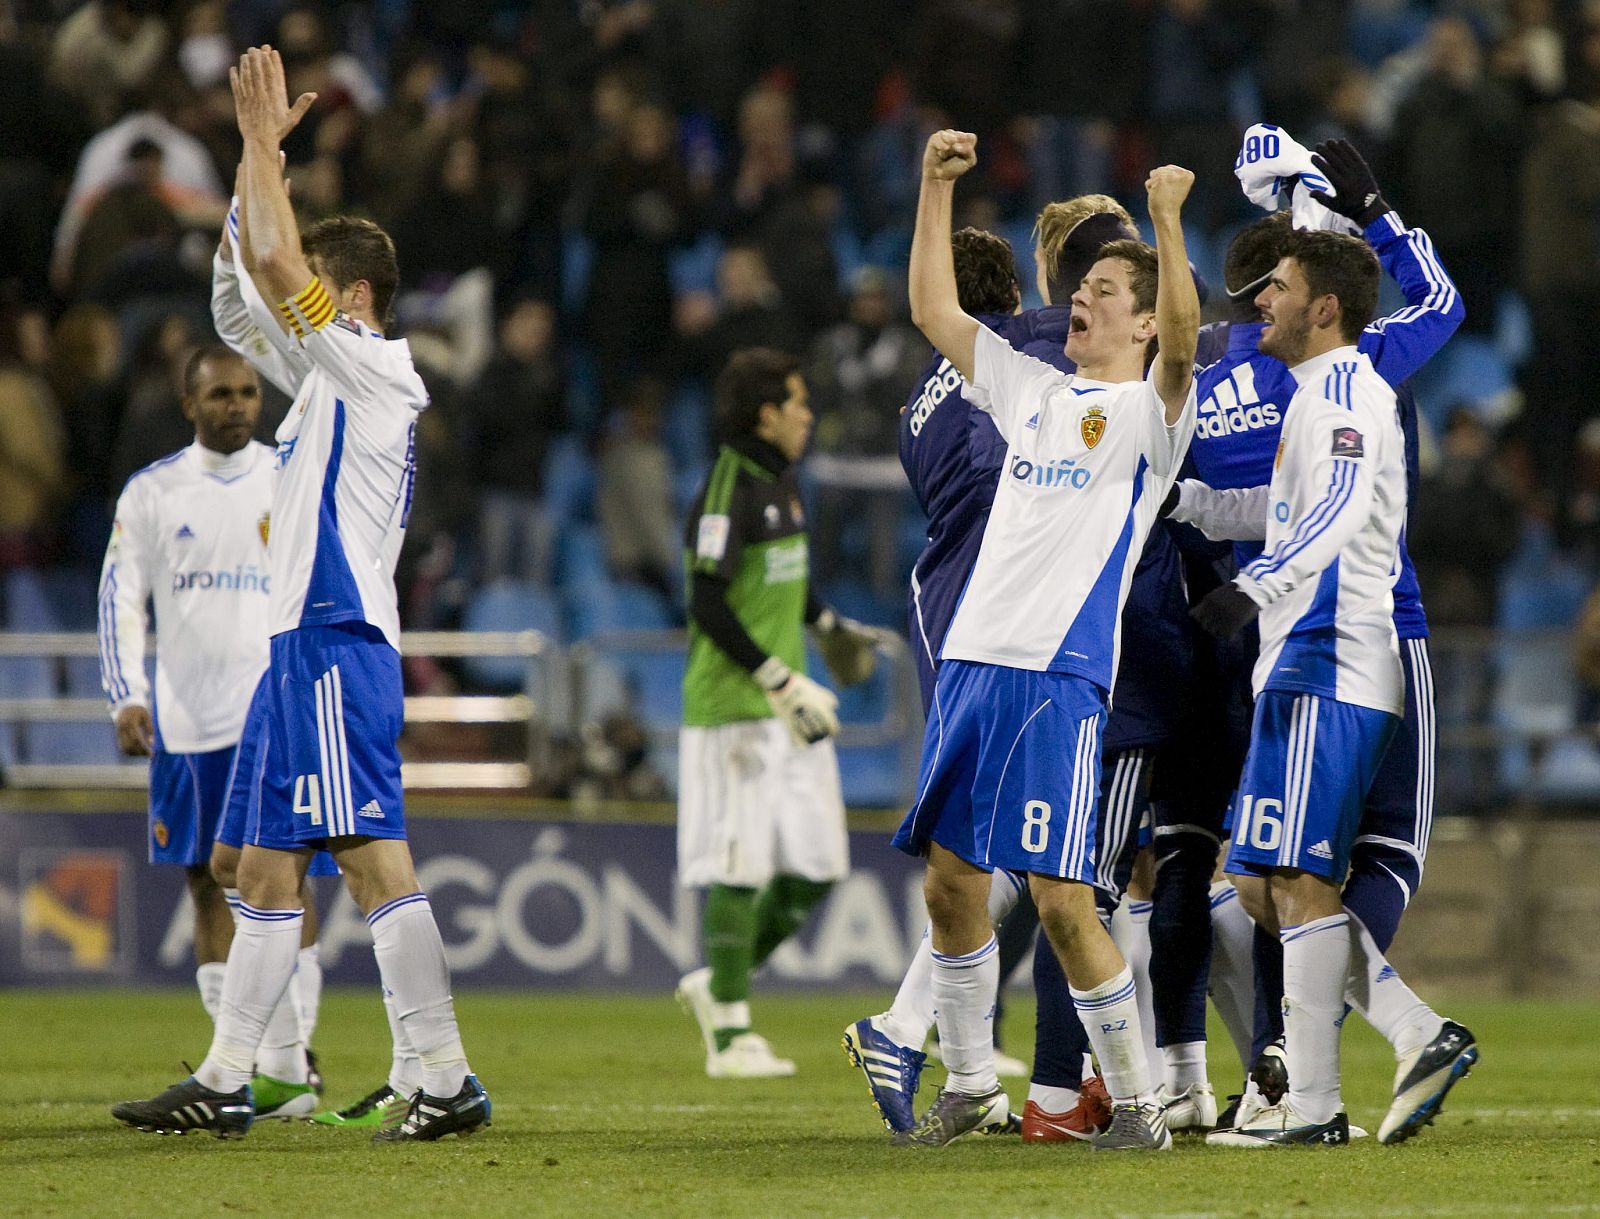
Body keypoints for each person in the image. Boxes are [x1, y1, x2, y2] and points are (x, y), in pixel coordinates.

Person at [112, 45, 487, 1143]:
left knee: (371, 858)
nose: (299, 301)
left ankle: (446, 1072)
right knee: (261, 865)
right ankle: (231, 1075)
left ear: (354, 292)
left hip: (332, 637)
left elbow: (275, 261)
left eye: (320, 283)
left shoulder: (374, 369)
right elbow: (243, 290)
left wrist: (263, 149)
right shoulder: (332, 375)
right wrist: (251, 168)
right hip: (300, 648)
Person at [887, 130, 1198, 1151]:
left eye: (1110, 290)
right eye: (1084, 284)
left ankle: (1138, 1105)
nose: (1085, 297)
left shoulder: (1149, 413)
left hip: (1058, 675)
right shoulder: (1027, 387)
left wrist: (1162, 221)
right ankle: (972, 1082)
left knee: (1065, 900)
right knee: (948, 884)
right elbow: (936, 309)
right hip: (974, 661)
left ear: (1144, 318)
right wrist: (934, 189)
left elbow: (1187, 349)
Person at [1181, 139, 1467, 1134]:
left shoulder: (1347, 384)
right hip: (1299, 646)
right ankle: (1343, 1072)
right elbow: (1283, 497)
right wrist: (1195, 505)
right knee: (1260, 882)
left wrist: (1252, 582)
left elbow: (1339, 505)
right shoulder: (1308, 386)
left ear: (1322, 303)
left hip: (1340, 638)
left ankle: (1333, 1079)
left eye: (1277, 285)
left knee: (1307, 873)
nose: (1257, 301)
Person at [673, 347, 880, 1078]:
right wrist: (776, 676)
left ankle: (716, 982)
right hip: (737, 703)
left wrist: (829, 626)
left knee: (819, 865)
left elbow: (786, 584)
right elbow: (705, 599)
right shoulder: (727, 485)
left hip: (787, 702)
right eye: (797, 403)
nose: (807, 415)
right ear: (766, 412)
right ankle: (730, 1034)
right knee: (739, 863)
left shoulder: (784, 480)